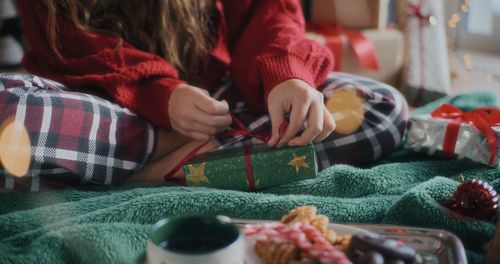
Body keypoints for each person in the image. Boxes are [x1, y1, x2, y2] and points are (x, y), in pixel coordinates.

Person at [0, 0, 408, 191]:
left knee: (381, 107)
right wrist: (164, 97)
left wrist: (286, 77)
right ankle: (180, 154)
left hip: (223, 98)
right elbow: (69, 47)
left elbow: (266, 11)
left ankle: (133, 173)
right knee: (10, 113)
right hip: (109, 107)